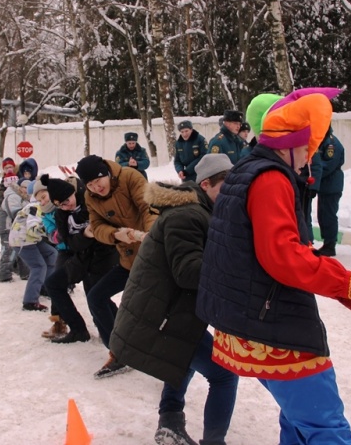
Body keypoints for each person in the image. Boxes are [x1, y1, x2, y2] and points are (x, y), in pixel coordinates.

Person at [196, 89, 351, 445]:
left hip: (244, 321)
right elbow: (283, 257)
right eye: (306, 149)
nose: (308, 158)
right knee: (325, 428)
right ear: (288, 145)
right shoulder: (271, 179)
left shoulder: (246, 167)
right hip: (273, 328)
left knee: (297, 418)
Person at [110, 153, 239, 445]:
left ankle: (169, 423)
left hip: (164, 313)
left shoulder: (198, 209)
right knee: (224, 374)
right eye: (226, 188)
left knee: (183, 355)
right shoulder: (189, 215)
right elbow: (189, 272)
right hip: (159, 318)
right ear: (206, 184)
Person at [75, 154, 158, 378]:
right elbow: (97, 226)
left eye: (97, 181)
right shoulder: (90, 197)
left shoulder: (130, 176)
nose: (95, 187)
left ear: (107, 174)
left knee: (150, 308)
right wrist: (116, 234)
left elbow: (148, 206)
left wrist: (150, 235)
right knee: (96, 296)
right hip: (127, 259)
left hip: (153, 257)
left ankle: (165, 355)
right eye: (90, 184)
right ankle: (118, 352)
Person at [41, 174, 119, 343]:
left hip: (103, 255)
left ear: (72, 193)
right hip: (81, 257)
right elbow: (70, 243)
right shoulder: (61, 215)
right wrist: (85, 234)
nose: (66, 206)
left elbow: (108, 228)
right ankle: (78, 329)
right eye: (60, 205)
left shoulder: (90, 201)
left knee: (96, 295)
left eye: (67, 201)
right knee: (53, 284)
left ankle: (120, 330)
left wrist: (92, 235)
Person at [11, 178, 58, 311]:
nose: (44, 200)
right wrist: (47, 231)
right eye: (41, 197)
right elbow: (32, 227)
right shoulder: (35, 207)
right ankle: (30, 301)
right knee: (39, 266)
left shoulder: (44, 205)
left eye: (45, 196)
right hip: (22, 240)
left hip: (32, 239)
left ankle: (45, 287)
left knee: (51, 254)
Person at [313, 127, 345, 257]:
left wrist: (314, 169)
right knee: (322, 214)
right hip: (325, 185)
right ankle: (327, 241)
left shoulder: (332, 144)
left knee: (329, 215)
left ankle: (330, 244)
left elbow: (328, 164)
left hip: (331, 185)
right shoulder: (323, 140)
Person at [0, 180, 30, 283]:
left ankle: (25, 272)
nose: (26, 191)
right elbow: (15, 213)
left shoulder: (24, 198)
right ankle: (3, 274)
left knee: (22, 249)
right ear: (20, 187)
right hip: (7, 227)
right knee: (9, 250)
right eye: (25, 188)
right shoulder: (13, 196)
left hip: (15, 228)